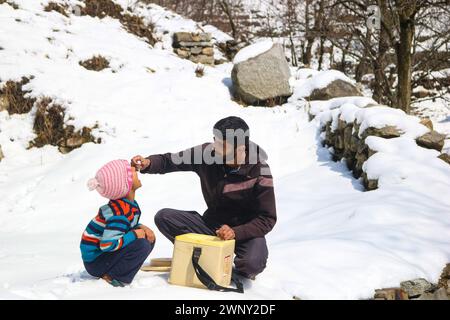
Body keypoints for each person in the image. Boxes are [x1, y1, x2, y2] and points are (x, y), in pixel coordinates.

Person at [131, 116, 276, 280]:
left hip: (245, 231)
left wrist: (235, 232)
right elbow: (171, 160)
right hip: (212, 226)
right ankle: (206, 256)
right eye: (215, 141)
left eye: (222, 145)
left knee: (253, 264)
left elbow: (267, 218)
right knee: (165, 217)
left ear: (240, 148)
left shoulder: (260, 169)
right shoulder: (207, 154)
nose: (216, 147)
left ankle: (231, 268)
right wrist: (149, 163)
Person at [80, 159, 156, 287]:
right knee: (142, 244)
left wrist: (140, 227)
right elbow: (107, 244)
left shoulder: (127, 206)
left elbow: (126, 227)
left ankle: (119, 270)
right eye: (133, 171)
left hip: (103, 257)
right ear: (127, 184)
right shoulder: (118, 214)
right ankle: (113, 277)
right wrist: (135, 234)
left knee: (149, 238)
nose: (136, 171)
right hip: (96, 262)